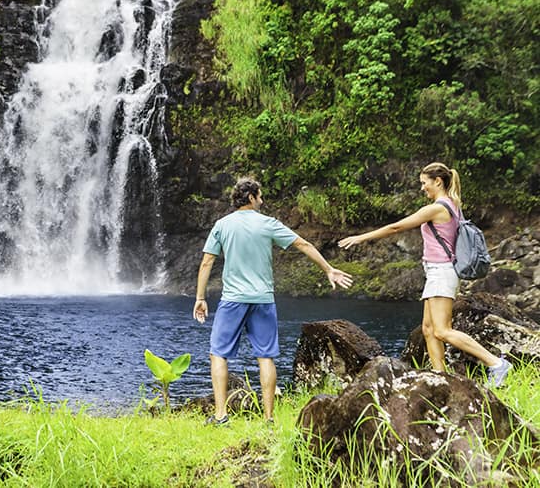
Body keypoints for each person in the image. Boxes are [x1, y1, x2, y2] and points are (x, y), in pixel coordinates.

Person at [193, 177, 353, 424]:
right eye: (260, 196)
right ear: (250, 197)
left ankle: (221, 415)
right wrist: (328, 269)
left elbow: (207, 262)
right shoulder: (268, 224)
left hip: (233, 299)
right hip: (263, 299)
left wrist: (200, 297)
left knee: (218, 354)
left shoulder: (222, 225)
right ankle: (269, 419)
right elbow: (303, 244)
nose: (262, 200)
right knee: (265, 357)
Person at [338, 162, 512, 387]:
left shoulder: (438, 207)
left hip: (442, 271)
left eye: (424, 183)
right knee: (429, 330)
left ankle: (496, 364)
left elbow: (396, 227)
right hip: (436, 271)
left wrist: (361, 237)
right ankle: (441, 378)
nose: (422, 188)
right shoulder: (452, 203)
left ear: (437, 181)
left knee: (442, 330)